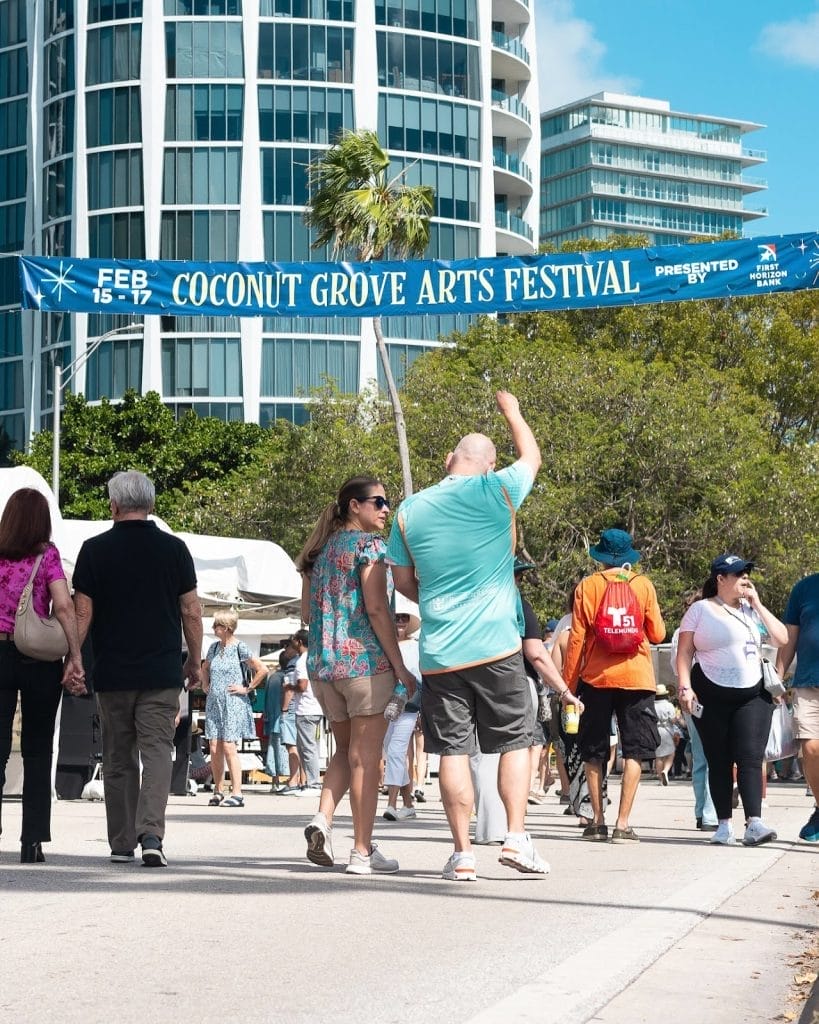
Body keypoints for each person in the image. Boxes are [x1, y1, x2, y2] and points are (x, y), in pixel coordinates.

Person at [388, 390, 575, 881]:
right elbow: (532, 456)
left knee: (451, 750)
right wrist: (513, 411)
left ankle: (463, 853)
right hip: (496, 645)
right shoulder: (500, 489)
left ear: (449, 460)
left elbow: (403, 581)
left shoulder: (409, 510)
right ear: (490, 464)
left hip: (441, 653)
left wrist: (435, 594)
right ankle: (515, 837)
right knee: (515, 741)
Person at [73, 471, 202, 867]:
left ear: (113, 506)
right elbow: (191, 611)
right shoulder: (175, 549)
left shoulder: (93, 550)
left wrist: (73, 659)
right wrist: (194, 660)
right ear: (151, 504)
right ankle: (151, 836)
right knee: (158, 752)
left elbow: (83, 613)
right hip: (161, 672)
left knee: (118, 757)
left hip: (112, 673)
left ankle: (121, 842)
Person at [297, 476, 417, 875]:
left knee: (345, 752)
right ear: (354, 505)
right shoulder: (369, 547)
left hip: (324, 667)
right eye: (378, 502)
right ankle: (361, 851)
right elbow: (377, 609)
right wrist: (400, 666)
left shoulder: (318, 551)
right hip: (364, 665)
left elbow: (307, 615)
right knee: (366, 759)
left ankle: (323, 819)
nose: (386, 509)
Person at [676, 553, 787, 846]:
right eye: (738, 574)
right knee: (718, 759)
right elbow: (684, 652)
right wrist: (685, 687)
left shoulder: (751, 611)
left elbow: (782, 639)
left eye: (746, 574)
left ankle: (755, 823)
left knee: (750, 756)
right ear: (720, 579)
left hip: (753, 693)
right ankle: (723, 824)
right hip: (710, 692)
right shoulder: (700, 610)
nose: (745, 579)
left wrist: (758, 604)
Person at [563, 528, 666, 843]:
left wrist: (568, 686)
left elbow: (577, 640)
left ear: (601, 558)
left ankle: (597, 821)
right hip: (636, 679)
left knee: (593, 750)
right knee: (634, 750)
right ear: (628, 558)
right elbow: (658, 634)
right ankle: (623, 823)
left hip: (597, 679)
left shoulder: (588, 586)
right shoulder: (643, 585)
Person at [0, 488, 85, 864]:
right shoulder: (46, 554)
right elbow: (64, 606)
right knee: (37, 749)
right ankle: (31, 842)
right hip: (38, 656)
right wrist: (74, 656)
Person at [202, 609, 267, 808]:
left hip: (232, 703)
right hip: (215, 703)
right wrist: (205, 684)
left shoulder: (240, 647)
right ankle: (218, 790)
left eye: (217, 625)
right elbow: (205, 667)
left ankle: (237, 792)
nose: (214, 628)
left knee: (229, 746)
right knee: (214, 746)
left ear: (227, 628)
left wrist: (247, 688)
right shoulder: (213, 648)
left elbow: (262, 669)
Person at [776, 571, 819, 842]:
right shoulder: (804, 588)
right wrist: (777, 680)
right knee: (810, 748)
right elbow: (789, 639)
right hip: (807, 682)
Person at [670, 588, 717, 831]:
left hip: (688, 694)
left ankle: (702, 811)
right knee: (711, 756)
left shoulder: (678, 633)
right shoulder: (702, 629)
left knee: (700, 757)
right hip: (702, 694)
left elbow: (675, 666)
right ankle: (709, 813)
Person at [382, 608, 422, 821]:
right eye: (396, 617)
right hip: (385, 703)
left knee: (396, 751)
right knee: (391, 750)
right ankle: (408, 803)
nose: (400, 621)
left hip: (409, 704)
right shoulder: (384, 644)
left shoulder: (416, 647)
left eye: (404, 618)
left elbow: (422, 677)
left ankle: (391, 804)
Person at [286, 630, 324, 793]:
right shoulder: (314, 658)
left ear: (300, 642)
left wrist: (290, 686)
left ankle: (313, 783)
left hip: (305, 709)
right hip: (316, 707)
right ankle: (311, 781)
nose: (292, 643)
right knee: (309, 747)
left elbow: (302, 685)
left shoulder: (302, 661)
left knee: (307, 748)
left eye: (293, 640)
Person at [263, 645, 295, 790]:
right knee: (287, 749)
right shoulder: (286, 678)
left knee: (273, 749)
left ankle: (274, 781)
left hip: (272, 718)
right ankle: (290, 779)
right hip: (285, 716)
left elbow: (266, 699)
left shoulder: (273, 677)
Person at [653, 684, 679, 786]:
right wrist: (677, 717)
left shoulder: (652, 705)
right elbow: (672, 720)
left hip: (656, 731)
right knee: (671, 753)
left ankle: (660, 779)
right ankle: (666, 770)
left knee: (658, 756)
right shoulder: (669, 705)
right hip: (667, 731)